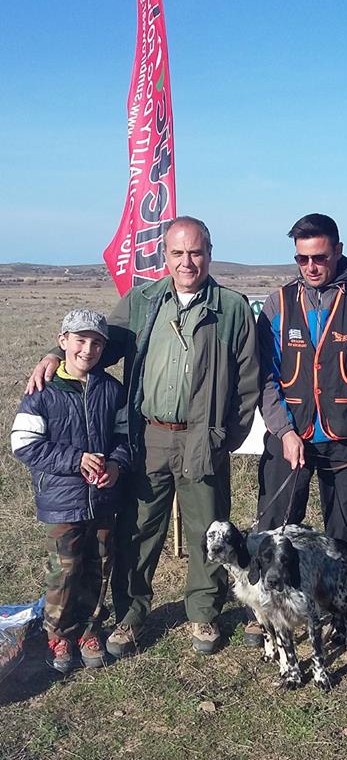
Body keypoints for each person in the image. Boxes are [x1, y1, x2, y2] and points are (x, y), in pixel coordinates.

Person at [26, 217, 259, 658]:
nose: (187, 262)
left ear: (209, 253)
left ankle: (204, 613)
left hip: (203, 438)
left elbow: (248, 382)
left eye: (195, 252)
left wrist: (224, 437)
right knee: (137, 529)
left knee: (208, 530)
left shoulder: (231, 308)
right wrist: (56, 354)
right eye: (178, 253)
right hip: (148, 436)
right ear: (164, 255)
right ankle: (131, 615)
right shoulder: (142, 301)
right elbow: (98, 344)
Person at [255, 213, 347, 656]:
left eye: (320, 257)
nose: (311, 267)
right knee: (276, 527)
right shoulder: (278, 303)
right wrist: (283, 431)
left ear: (338, 251)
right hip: (289, 434)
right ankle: (271, 609)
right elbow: (266, 377)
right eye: (302, 258)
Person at [11, 309, 130, 673]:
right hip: (62, 501)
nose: (87, 350)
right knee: (63, 570)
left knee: (99, 566)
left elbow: (125, 437)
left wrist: (116, 465)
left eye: (96, 344)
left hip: (103, 499)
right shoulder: (42, 391)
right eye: (80, 341)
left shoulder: (112, 390)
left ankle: (90, 630)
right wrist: (75, 460)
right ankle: (59, 634)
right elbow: (24, 443)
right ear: (62, 342)